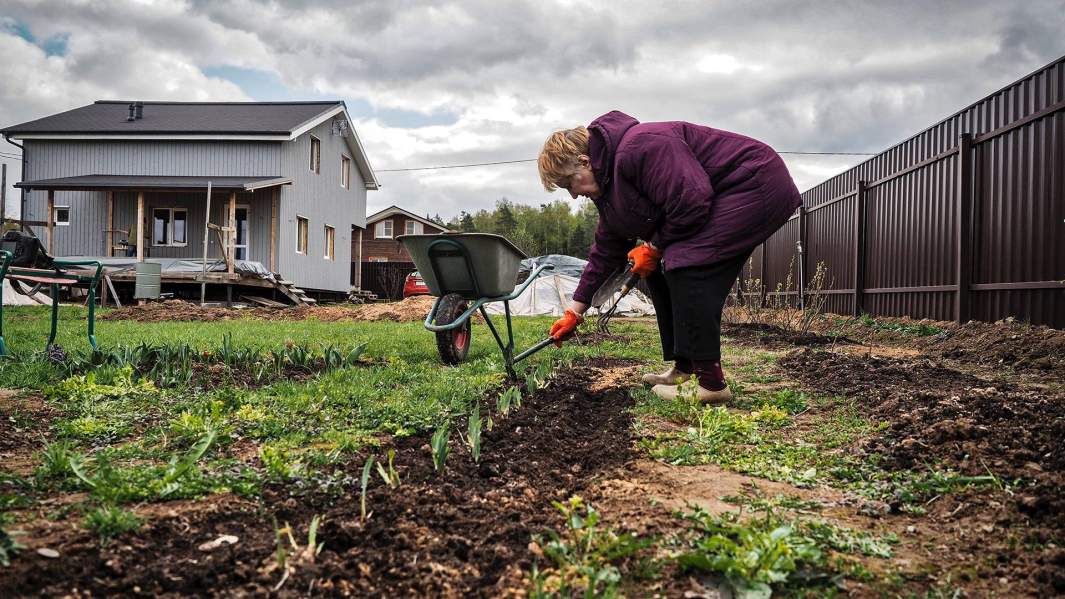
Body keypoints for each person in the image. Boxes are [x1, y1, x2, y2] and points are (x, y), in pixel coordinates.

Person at [539, 110, 802, 404]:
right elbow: (605, 252)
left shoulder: (640, 146)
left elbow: (692, 200)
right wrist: (575, 312)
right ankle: (685, 368)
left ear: (585, 162)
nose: (573, 195)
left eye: (569, 184)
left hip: (753, 183)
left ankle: (711, 384)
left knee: (686, 263)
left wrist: (654, 246)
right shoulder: (610, 191)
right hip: (724, 194)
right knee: (658, 268)